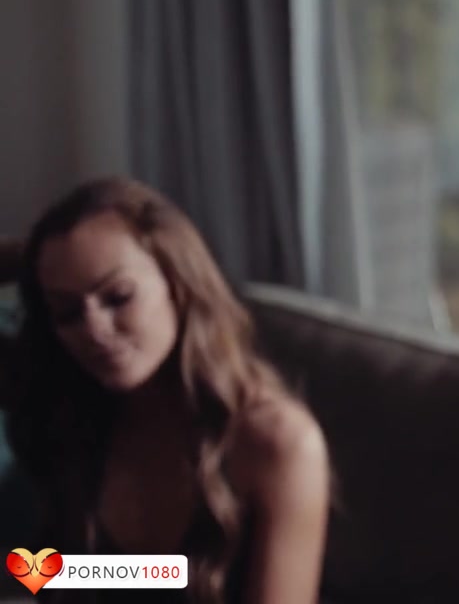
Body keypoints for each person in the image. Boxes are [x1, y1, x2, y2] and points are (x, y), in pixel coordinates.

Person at [5, 176, 330, 603]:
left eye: (118, 297)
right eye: (67, 311)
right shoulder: (70, 403)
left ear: (180, 284)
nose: (94, 330)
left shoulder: (276, 441)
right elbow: (140, 576)